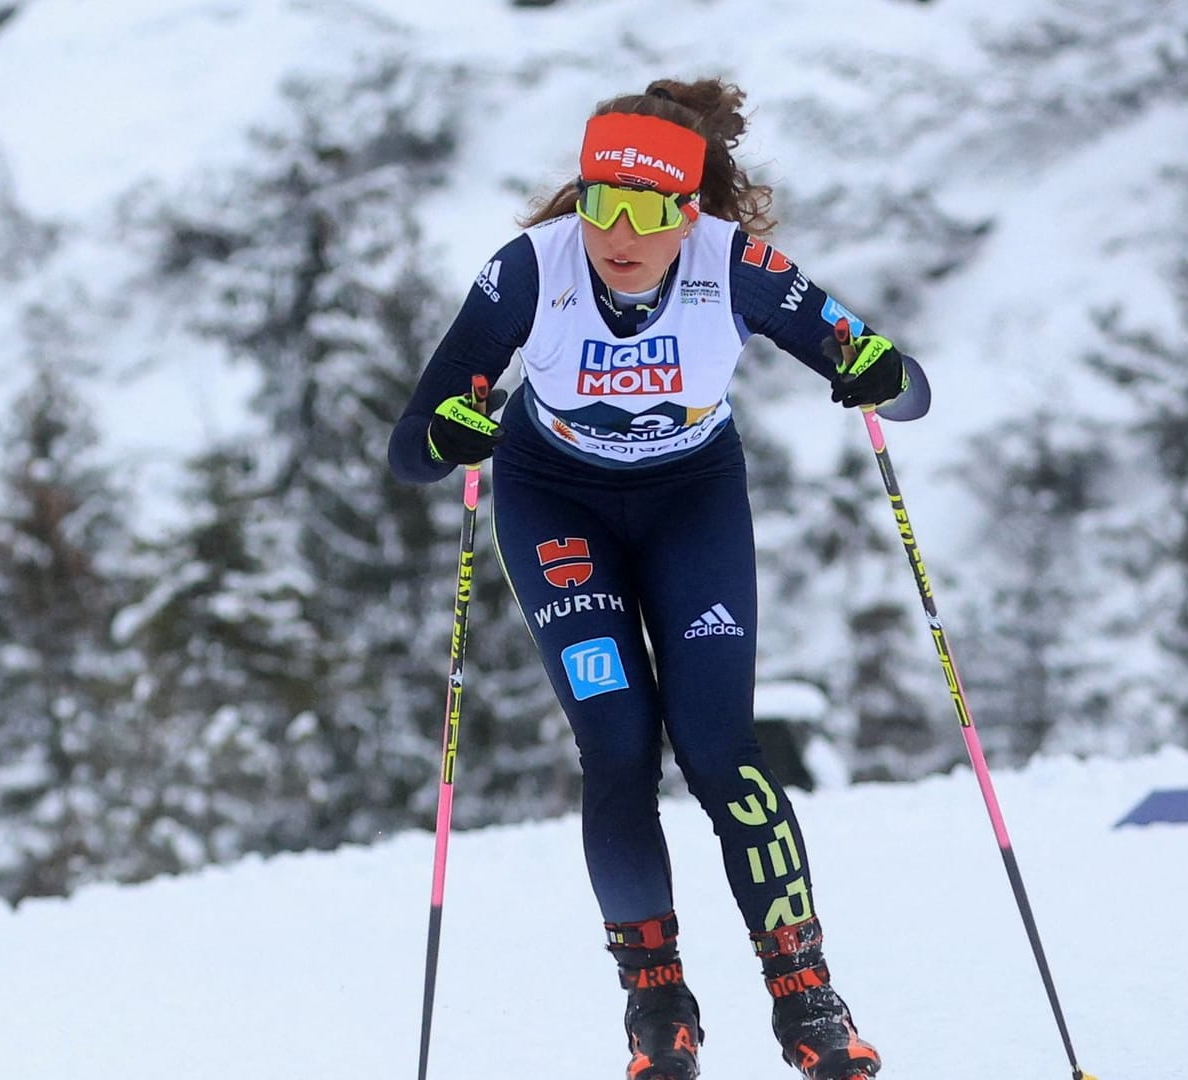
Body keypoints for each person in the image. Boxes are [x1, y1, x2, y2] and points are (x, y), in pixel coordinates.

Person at [388, 76, 927, 1080]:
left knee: (723, 749)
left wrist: (879, 375)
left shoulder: (741, 270)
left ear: (691, 211)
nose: (618, 233)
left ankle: (806, 999)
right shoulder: (527, 273)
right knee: (619, 750)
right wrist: (451, 431)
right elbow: (411, 448)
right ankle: (657, 1006)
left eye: (646, 211)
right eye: (600, 203)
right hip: (558, 510)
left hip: (691, 506)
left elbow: (905, 386)